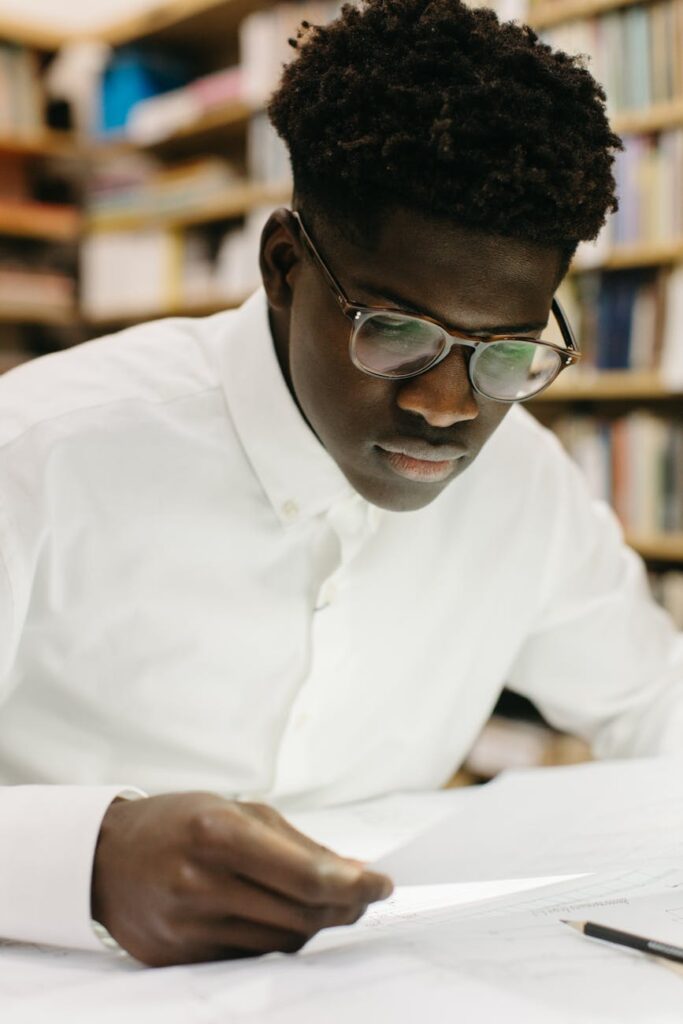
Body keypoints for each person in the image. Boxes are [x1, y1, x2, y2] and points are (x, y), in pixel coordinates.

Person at [0, 0, 681, 969]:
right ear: (283, 267)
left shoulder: (526, 480)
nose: (448, 405)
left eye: (506, 351)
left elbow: (651, 701)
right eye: (397, 333)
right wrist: (84, 859)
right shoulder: (38, 449)